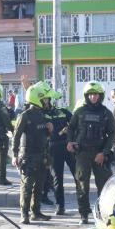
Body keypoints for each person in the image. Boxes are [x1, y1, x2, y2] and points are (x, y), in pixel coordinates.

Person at [68, 81, 115, 225]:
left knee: (103, 187)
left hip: (100, 155)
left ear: (100, 96)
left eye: (96, 94)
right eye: (90, 94)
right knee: (82, 185)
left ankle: (103, 213)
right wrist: (69, 142)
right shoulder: (80, 111)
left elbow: (112, 134)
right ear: (86, 96)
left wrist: (104, 152)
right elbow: (70, 128)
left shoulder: (106, 113)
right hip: (82, 154)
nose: (93, 97)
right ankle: (84, 214)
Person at [13, 82, 52, 225]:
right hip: (28, 156)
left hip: (42, 155)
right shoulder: (25, 115)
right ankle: (24, 214)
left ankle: (36, 212)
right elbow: (16, 136)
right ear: (38, 99)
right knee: (27, 186)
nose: (47, 102)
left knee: (40, 186)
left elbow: (46, 137)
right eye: (45, 99)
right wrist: (15, 155)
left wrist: (50, 130)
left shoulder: (43, 115)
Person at [43, 87, 75, 216]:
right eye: (42, 99)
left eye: (46, 99)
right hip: (53, 148)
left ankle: (84, 205)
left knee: (78, 176)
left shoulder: (62, 112)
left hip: (68, 147)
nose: (44, 101)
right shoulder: (40, 114)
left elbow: (74, 124)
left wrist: (69, 134)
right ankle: (60, 206)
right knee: (58, 179)